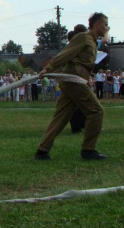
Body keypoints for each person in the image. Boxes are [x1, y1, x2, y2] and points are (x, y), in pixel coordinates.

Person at [34, 12, 109, 161]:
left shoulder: (94, 41)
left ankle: (42, 151)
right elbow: (65, 54)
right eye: (105, 25)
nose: (107, 28)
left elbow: (102, 43)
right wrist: (48, 68)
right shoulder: (83, 37)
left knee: (61, 117)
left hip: (77, 79)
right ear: (98, 24)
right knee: (96, 111)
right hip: (73, 79)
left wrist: (107, 32)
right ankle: (88, 150)